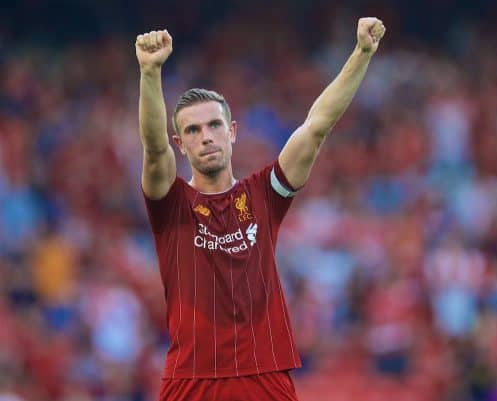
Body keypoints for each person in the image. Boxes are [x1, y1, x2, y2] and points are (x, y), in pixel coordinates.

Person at [135, 17, 385, 401]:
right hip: (192, 379)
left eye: (214, 126)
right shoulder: (173, 204)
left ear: (232, 131)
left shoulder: (264, 195)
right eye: (192, 131)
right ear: (180, 144)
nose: (206, 137)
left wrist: (361, 54)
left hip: (263, 376)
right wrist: (150, 73)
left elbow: (316, 126)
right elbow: (154, 149)